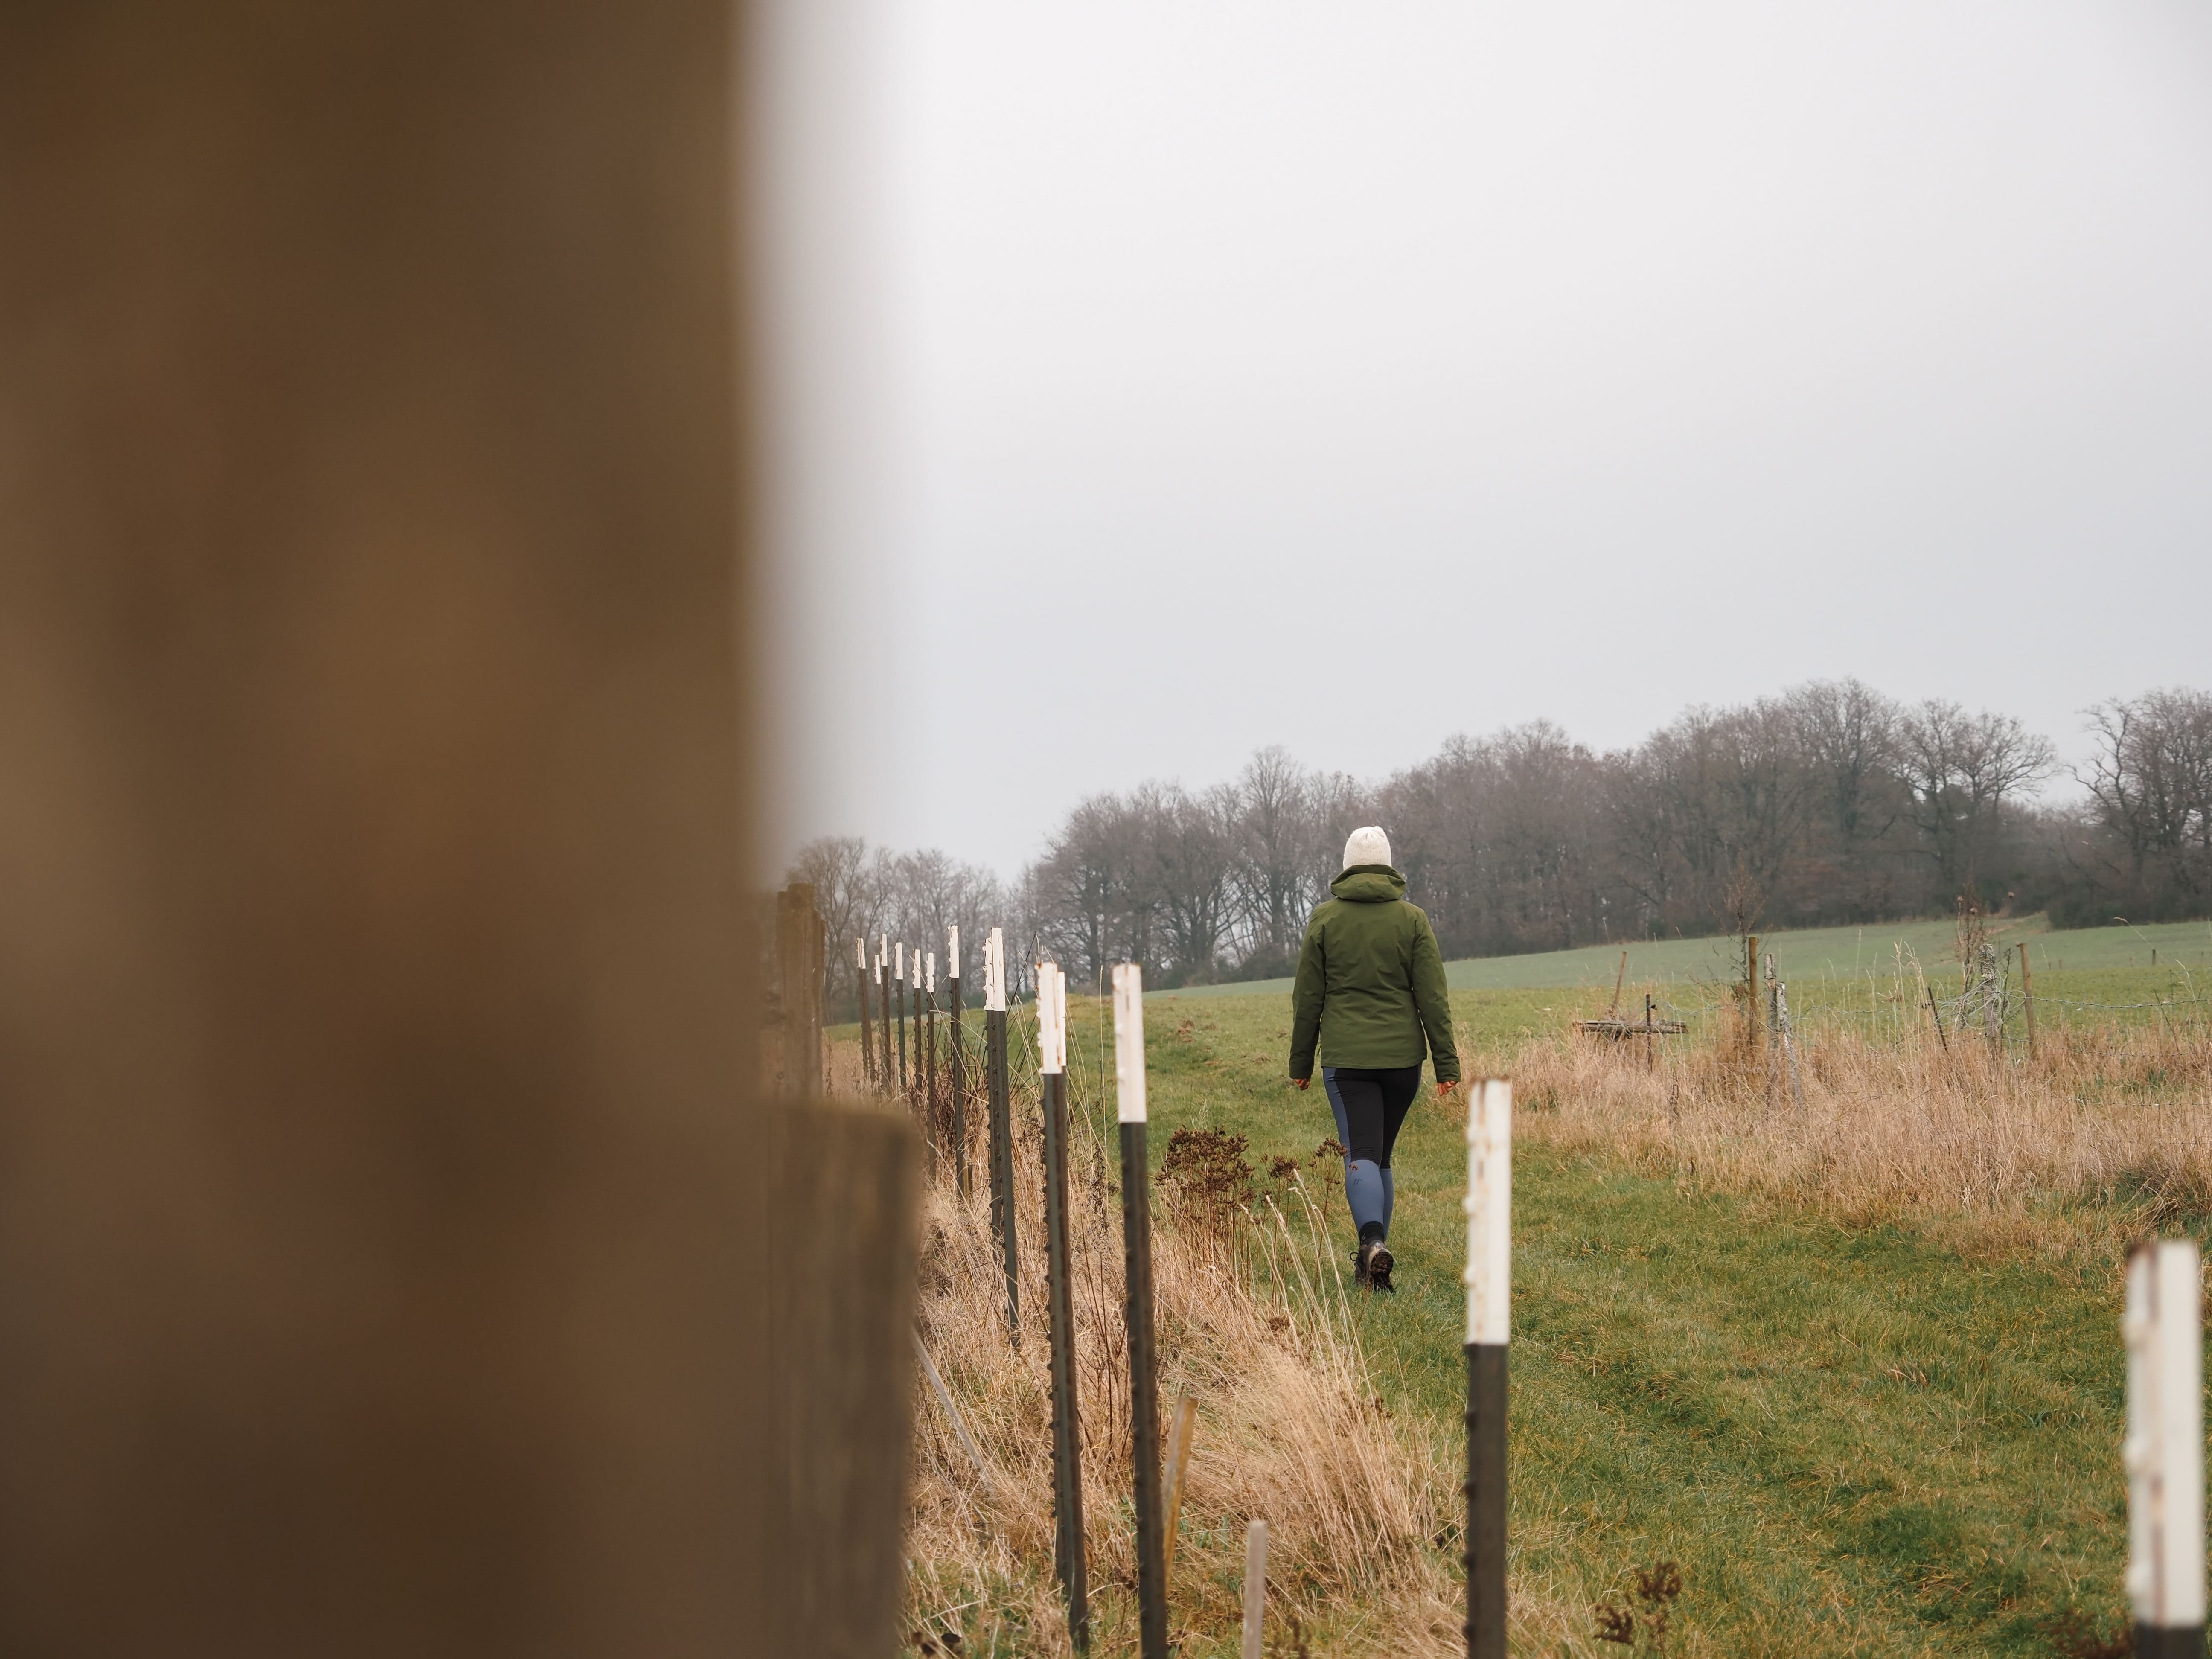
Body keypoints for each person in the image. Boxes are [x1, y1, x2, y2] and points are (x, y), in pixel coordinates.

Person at [1288, 826, 1459, 1292]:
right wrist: (1447, 1066)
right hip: (1404, 1062)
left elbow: (1309, 998)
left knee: (1360, 1153)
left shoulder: (1324, 920)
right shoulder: (1414, 920)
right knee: (1380, 1155)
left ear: (1347, 866)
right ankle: (1373, 1271)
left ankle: (1372, 1242)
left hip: (1348, 1061)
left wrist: (1300, 1064)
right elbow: (1433, 998)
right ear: (1388, 865)